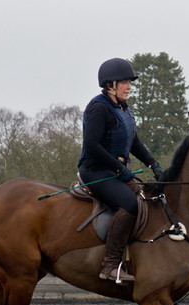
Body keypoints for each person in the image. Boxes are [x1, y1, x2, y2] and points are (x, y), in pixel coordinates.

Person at [78, 58, 163, 283]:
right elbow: (92, 146)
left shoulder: (124, 109)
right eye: (124, 82)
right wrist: (120, 169)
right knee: (130, 203)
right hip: (94, 172)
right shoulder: (98, 108)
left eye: (129, 82)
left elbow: (134, 142)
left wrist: (153, 164)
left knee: (146, 194)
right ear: (110, 85)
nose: (129, 86)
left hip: (112, 172)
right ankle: (111, 265)